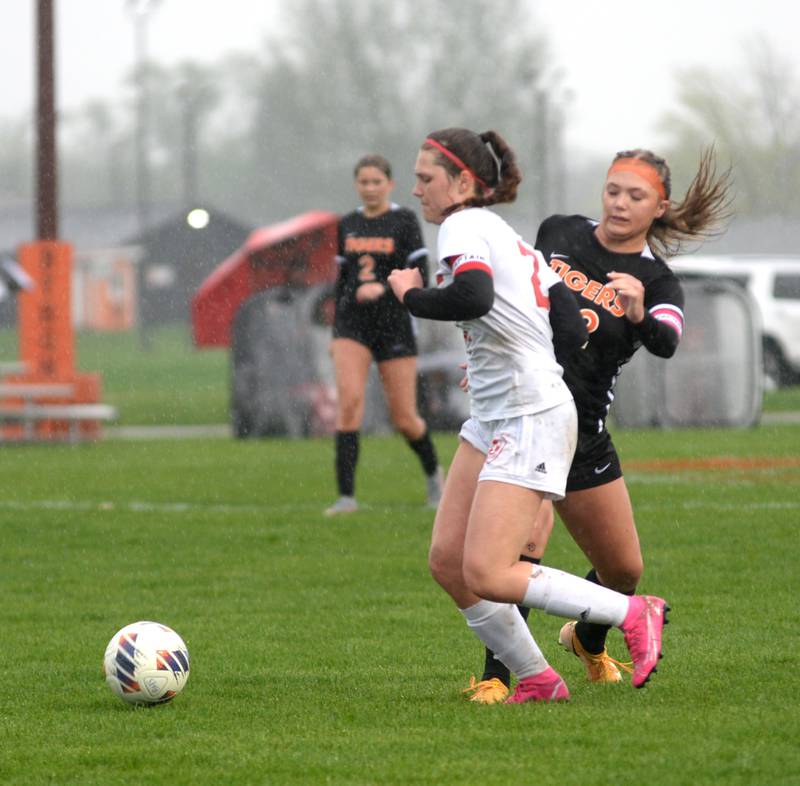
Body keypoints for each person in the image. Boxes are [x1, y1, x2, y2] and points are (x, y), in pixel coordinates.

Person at [388, 127, 669, 703]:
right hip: (501, 411)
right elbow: (567, 322)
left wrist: (410, 296)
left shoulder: (464, 226)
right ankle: (539, 679)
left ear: (462, 181)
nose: (415, 190)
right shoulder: (504, 233)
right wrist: (509, 362)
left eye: (424, 178)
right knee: (448, 562)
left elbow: (472, 298)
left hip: (526, 415)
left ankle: (633, 613)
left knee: (489, 572)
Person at [464, 146, 732, 703]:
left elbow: (665, 343)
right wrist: (487, 361)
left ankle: (587, 640)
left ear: (659, 207)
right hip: (529, 410)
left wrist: (636, 310)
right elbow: (518, 303)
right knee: (520, 548)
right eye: (613, 190)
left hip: (583, 432)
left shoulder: (657, 282)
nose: (620, 203)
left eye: (636, 196)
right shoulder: (559, 231)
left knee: (624, 570)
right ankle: (498, 675)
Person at [326, 154, 444, 516]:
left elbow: (419, 271)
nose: (370, 188)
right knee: (348, 406)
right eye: (364, 182)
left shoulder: (404, 221)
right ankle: (346, 496)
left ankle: (433, 475)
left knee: (405, 418)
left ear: (389, 184)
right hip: (352, 324)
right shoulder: (347, 224)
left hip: (393, 323)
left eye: (377, 181)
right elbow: (342, 280)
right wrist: (352, 296)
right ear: (356, 185)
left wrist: (384, 288)